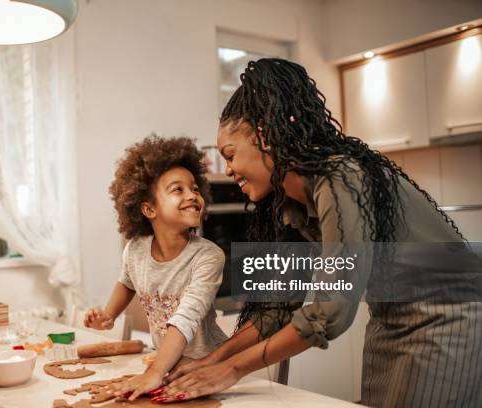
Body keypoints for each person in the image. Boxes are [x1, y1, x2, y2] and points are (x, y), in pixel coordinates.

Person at [157, 58, 482, 407]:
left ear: (264, 136)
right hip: (389, 318)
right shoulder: (290, 203)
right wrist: (210, 362)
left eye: (231, 155)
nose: (230, 170)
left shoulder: (340, 177)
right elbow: (277, 308)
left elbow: (330, 311)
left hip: (447, 314)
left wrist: (232, 369)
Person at [83, 135, 228, 401]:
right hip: (167, 366)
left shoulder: (208, 256)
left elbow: (186, 318)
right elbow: (127, 282)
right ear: (149, 208)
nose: (192, 196)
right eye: (178, 190)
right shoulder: (135, 249)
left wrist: (156, 370)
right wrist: (108, 315)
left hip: (207, 369)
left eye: (195, 189)